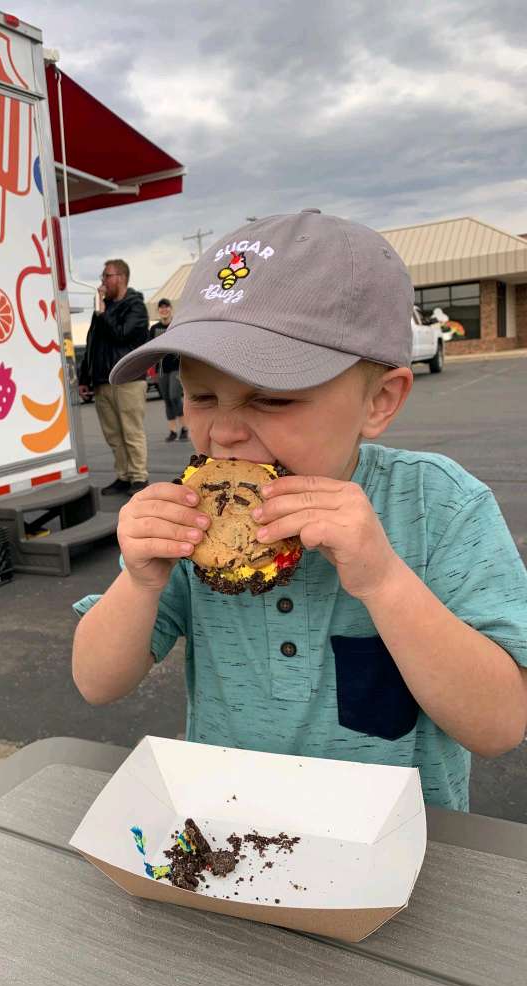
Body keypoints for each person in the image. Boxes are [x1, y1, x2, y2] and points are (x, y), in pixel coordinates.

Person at [72, 209, 527, 812]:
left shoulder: (440, 507)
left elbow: (499, 725)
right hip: (225, 834)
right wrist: (139, 581)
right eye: (203, 396)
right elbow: (96, 682)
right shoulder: (194, 521)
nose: (226, 432)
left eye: (273, 398)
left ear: (379, 401)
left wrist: (386, 582)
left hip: (396, 849)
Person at [79, 259, 150, 495]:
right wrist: (84, 377)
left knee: (131, 432)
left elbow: (122, 334)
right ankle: (123, 475)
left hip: (128, 379)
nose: (102, 282)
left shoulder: (136, 307)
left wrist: (102, 311)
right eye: (102, 277)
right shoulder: (103, 310)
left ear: (120, 277)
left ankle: (139, 477)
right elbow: (92, 344)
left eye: (106, 276)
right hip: (102, 380)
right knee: (113, 434)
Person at [149, 298, 188, 443]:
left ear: (171, 309)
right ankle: (173, 431)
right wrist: (151, 371)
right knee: (167, 400)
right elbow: (150, 350)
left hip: (176, 368)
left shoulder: (177, 325)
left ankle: (185, 428)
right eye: (161, 308)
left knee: (174, 396)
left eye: (166, 307)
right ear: (158, 311)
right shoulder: (154, 329)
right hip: (161, 370)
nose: (164, 310)